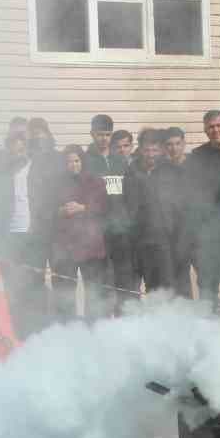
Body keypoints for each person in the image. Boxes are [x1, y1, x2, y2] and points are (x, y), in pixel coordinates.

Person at [181, 110, 220, 300]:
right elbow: (189, 194)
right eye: (211, 127)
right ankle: (209, 324)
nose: (216, 130)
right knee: (207, 283)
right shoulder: (197, 156)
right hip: (207, 233)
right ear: (206, 130)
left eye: (219, 125)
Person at [0, 130, 50, 333]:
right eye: (14, 150)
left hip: (33, 234)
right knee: (14, 283)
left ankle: (38, 328)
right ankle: (17, 328)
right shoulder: (2, 173)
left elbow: (46, 202)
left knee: (35, 283)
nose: (17, 153)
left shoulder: (37, 171)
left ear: (26, 149)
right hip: (11, 235)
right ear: (8, 151)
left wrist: (39, 228)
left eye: (21, 149)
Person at [49, 144, 107, 319]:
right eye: (69, 162)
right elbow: (45, 210)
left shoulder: (95, 181)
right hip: (65, 247)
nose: (73, 165)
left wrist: (83, 207)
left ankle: (94, 329)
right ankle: (68, 332)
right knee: (64, 291)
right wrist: (60, 212)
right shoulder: (56, 183)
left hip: (91, 245)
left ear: (82, 161)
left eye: (76, 161)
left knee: (93, 292)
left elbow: (104, 206)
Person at [85, 115, 133, 313]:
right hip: (97, 230)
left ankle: (124, 320)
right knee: (100, 279)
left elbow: (130, 193)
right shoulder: (86, 161)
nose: (104, 139)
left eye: (107, 134)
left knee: (123, 278)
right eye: (99, 134)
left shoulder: (120, 161)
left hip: (120, 229)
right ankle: (101, 321)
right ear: (92, 134)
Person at [125, 129, 179, 296]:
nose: (151, 154)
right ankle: (152, 320)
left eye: (155, 150)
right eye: (147, 150)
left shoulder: (171, 171)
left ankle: (168, 319)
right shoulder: (131, 171)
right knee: (150, 285)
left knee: (167, 285)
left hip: (166, 239)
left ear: (161, 150)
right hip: (140, 239)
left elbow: (179, 205)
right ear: (140, 150)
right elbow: (128, 204)